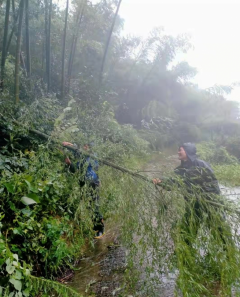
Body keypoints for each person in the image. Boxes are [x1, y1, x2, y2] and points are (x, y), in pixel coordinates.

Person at [153, 143, 231, 247]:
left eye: (180, 150)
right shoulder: (179, 170)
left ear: (188, 151)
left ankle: (227, 250)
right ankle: (184, 254)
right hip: (192, 205)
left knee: (219, 230)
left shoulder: (201, 165)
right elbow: (173, 183)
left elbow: (213, 183)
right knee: (188, 230)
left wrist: (206, 197)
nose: (178, 152)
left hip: (210, 204)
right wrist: (161, 180)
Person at [62, 141, 105, 239]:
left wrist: (70, 145)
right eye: (84, 145)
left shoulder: (92, 156)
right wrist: (69, 163)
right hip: (84, 184)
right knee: (89, 206)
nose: (85, 147)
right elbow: (75, 169)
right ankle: (96, 227)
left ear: (90, 148)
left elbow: (79, 153)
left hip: (93, 184)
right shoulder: (82, 158)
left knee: (95, 206)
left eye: (87, 146)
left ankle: (101, 229)